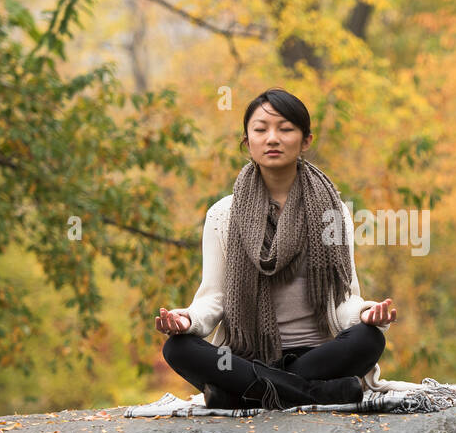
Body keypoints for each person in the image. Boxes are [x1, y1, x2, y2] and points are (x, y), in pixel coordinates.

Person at [155, 88, 397, 410]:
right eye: (260, 129)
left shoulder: (332, 212)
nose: (272, 138)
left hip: (317, 355)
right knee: (178, 348)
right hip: (246, 354)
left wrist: (365, 313)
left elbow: (342, 299)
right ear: (247, 141)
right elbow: (214, 298)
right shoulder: (222, 215)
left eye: (285, 129)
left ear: (305, 140)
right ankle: (320, 393)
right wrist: (188, 321)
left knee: (369, 339)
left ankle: (238, 394)